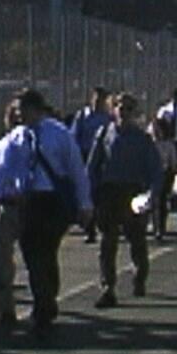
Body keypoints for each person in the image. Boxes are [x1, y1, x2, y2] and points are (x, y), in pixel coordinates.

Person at [11, 89, 92, 340]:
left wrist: (84, 203)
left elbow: (76, 169)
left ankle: (44, 305)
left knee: (44, 252)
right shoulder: (16, 137)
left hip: (52, 200)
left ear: (35, 109)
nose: (19, 115)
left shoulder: (58, 134)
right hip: (28, 201)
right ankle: (44, 299)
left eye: (23, 109)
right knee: (31, 253)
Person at [87, 93, 163, 307]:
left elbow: (155, 170)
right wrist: (90, 194)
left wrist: (152, 194)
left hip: (133, 192)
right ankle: (107, 287)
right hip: (109, 193)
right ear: (113, 110)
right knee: (107, 242)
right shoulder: (104, 134)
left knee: (137, 239)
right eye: (120, 107)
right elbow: (93, 166)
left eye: (128, 108)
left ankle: (140, 275)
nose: (123, 111)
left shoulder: (142, 139)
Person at [0, 101, 31, 326]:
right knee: (2, 261)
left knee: (35, 257)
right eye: (11, 116)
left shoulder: (32, 145)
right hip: (5, 205)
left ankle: (41, 301)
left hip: (29, 204)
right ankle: (7, 307)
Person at [70, 87, 110, 243]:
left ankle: (99, 224)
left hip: (101, 157)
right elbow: (74, 136)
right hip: (85, 155)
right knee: (87, 191)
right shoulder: (83, 116)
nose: (98, 102)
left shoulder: (106, 118)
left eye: (101, 99)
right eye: (96, 98)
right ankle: (90, 228)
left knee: (99, 192)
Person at [149, 114, 177, 240]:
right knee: (152, 202)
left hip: (164, 175)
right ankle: (155, 226)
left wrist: (171, 172)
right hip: (151, 174)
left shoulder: (168, 145)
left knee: (161, 202)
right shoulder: (150, 143)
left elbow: (173, 162)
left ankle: (161, 228)